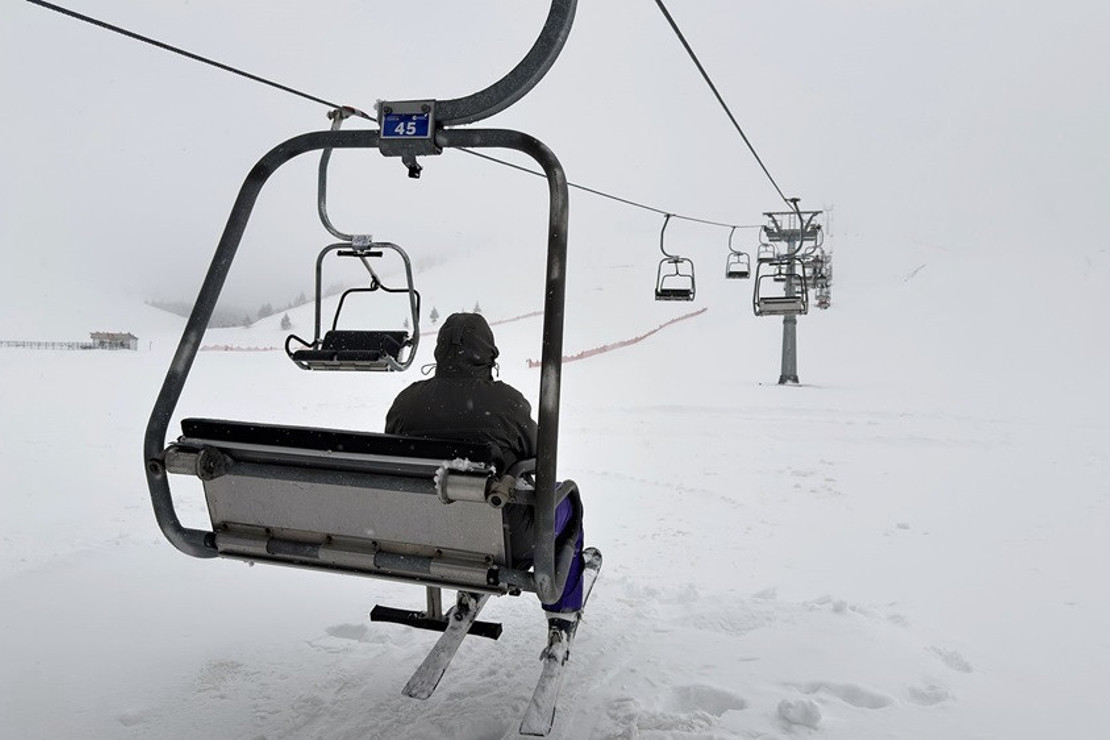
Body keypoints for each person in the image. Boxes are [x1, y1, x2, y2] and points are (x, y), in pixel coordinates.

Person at [385, 312, 586, 631]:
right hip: (504, 542)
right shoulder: (505, 402)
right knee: (568, 503)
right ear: (488, 354)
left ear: (439, 352)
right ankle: (562, 610)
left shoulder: (407, 402)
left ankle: (468, 574)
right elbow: (540, 455)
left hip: (423, 534)